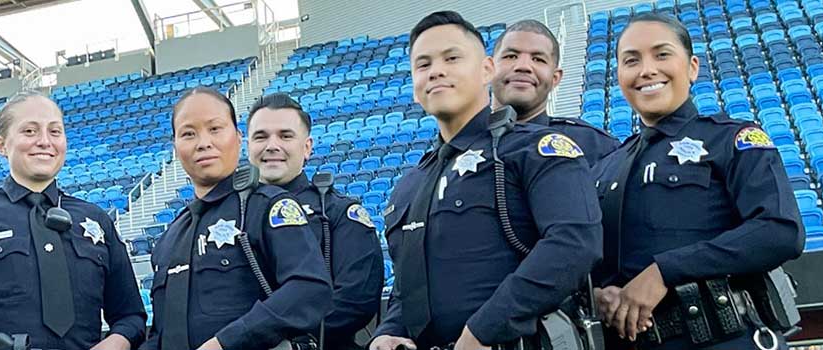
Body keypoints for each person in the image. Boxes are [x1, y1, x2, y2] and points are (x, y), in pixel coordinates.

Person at [368, 11, 602, 350]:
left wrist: (484, 330)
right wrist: (388, 332)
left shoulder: (534, 150)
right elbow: (409, 290)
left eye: (452, 58)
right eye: (423, 64)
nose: (436, 70)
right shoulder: (408, 187)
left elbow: (575, 243)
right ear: (415, 88)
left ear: (487, 70)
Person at [593, 13, 802, 350]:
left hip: (726, 337)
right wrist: (597, 295)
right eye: (631, 60)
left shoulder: (732, 139)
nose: (646, 70)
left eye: (662, 55)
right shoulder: (604, 168)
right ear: (618, 75)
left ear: (692, 67)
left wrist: (665, 271)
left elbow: (780, 231)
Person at [0, 90, 145, 350]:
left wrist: (117, 342)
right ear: (1, 145)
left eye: (55, 132)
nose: (45, 141)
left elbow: (130, 316)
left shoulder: (96, 220)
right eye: (30, 131)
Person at [144, 87, 333, 350]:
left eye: (215, 129)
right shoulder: (170, 238)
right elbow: (162, 333)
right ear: (175, 148)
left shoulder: (267, 207)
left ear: (238, 137)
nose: (203, 143)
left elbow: (309, 288)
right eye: (189, 133)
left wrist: (225, 343)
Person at [245, 93, 384, 350]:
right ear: (248, 147)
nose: (272, 145)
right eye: (261, 136)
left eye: (285, 136)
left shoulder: (339, 212)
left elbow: (357, 298)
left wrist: (279, 340)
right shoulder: (230, 220)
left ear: (307, 147)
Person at [488, 19, 618, 164]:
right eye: (511, 56)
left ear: (555, 78)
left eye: (538, 59)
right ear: (488, 69)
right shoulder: (463, 141)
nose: (523, 66)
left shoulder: (595, 146)